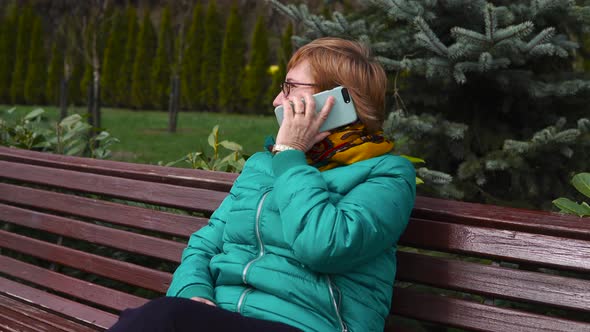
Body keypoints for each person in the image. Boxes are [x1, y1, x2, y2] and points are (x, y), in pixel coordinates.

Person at [108, 37, 416, 332]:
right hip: (225, 319)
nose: (276, 100)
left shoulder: (387, 174)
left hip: (308, 325)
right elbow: (205, 245)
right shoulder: (261, 166)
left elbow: (323, 246)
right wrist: (193, 293)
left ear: (333, 101)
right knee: (159, 317)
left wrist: (291, 155)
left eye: (289, 87)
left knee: (164, 318)